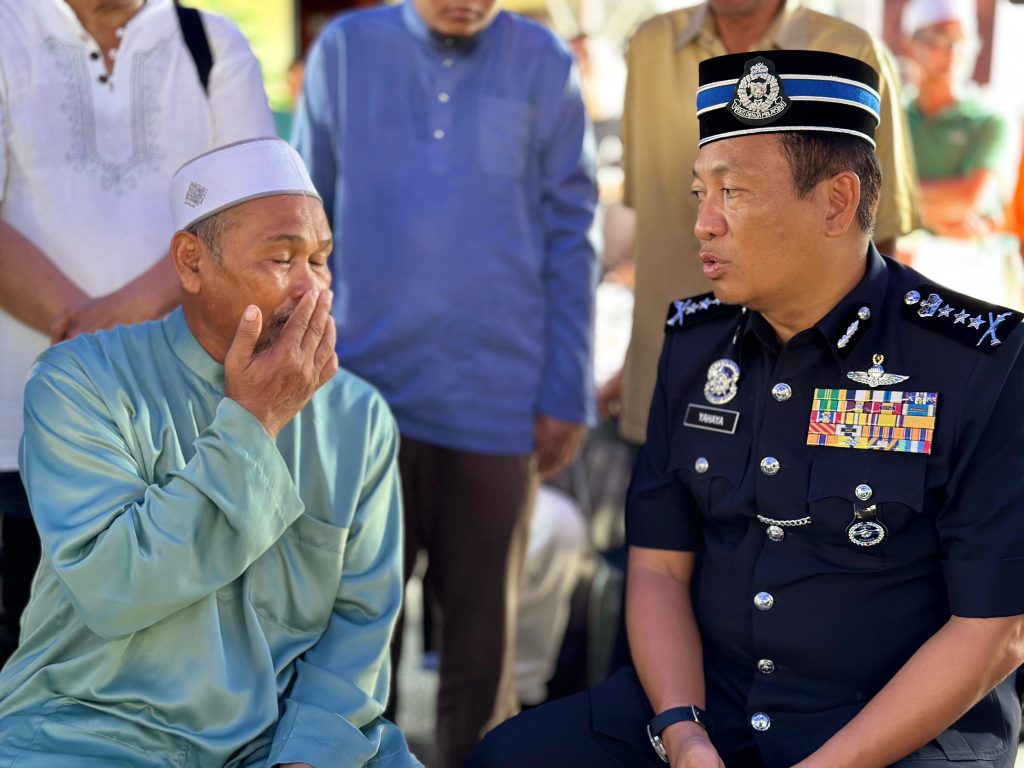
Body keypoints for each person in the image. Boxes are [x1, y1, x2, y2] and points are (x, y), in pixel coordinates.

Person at [468, 49, 1024, 768]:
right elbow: (660, 568)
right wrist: (683, 731)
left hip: (893, 732)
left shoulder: (980, 360)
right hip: (710, 707)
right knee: (509, 759)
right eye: (700, 192)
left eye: (732, 193)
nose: (703, 223)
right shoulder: (696, 344)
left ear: (836, 202)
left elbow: (994, 630)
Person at [0, 138, 419, 768]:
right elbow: (114, 589)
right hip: (94, 731)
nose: (313, 290)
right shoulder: (80, 383)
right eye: (282, 259)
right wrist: (257, 418)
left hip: (280, 740)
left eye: (322, 261)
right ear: (191, 262)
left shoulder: (358, 416)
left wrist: (305, 757)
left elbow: (360, 625)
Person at [292, 1, 598, 765]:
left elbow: (573, 230)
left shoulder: (543, 62)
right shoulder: (346, 50)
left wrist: (567, 387)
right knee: (353, 642)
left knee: (482, 655)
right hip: (358, 400)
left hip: (497, 402)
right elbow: (304, 223)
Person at [0, 0, 275, 664]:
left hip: (180, 440)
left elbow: (255, 216)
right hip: (14, 441)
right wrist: (98, 339)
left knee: (162, 667)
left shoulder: (212, 44)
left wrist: (105, 328)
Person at [601, 0, 921, 447]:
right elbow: (658, 221)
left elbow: (875, 232)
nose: (707, 223)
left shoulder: (851, 50)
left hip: (810, 382)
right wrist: (634, 365)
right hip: (669, 372)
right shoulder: (649, 45)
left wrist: (863, 385)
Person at [903, 0, 1018, 240]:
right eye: (941, 39)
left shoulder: (992, 119)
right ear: (913, 44)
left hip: (967, 266)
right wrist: (931, 212)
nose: (953, 51)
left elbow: (970, 198)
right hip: (897, 264)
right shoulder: (891, 117)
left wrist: (894, 201)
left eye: (961, 40)